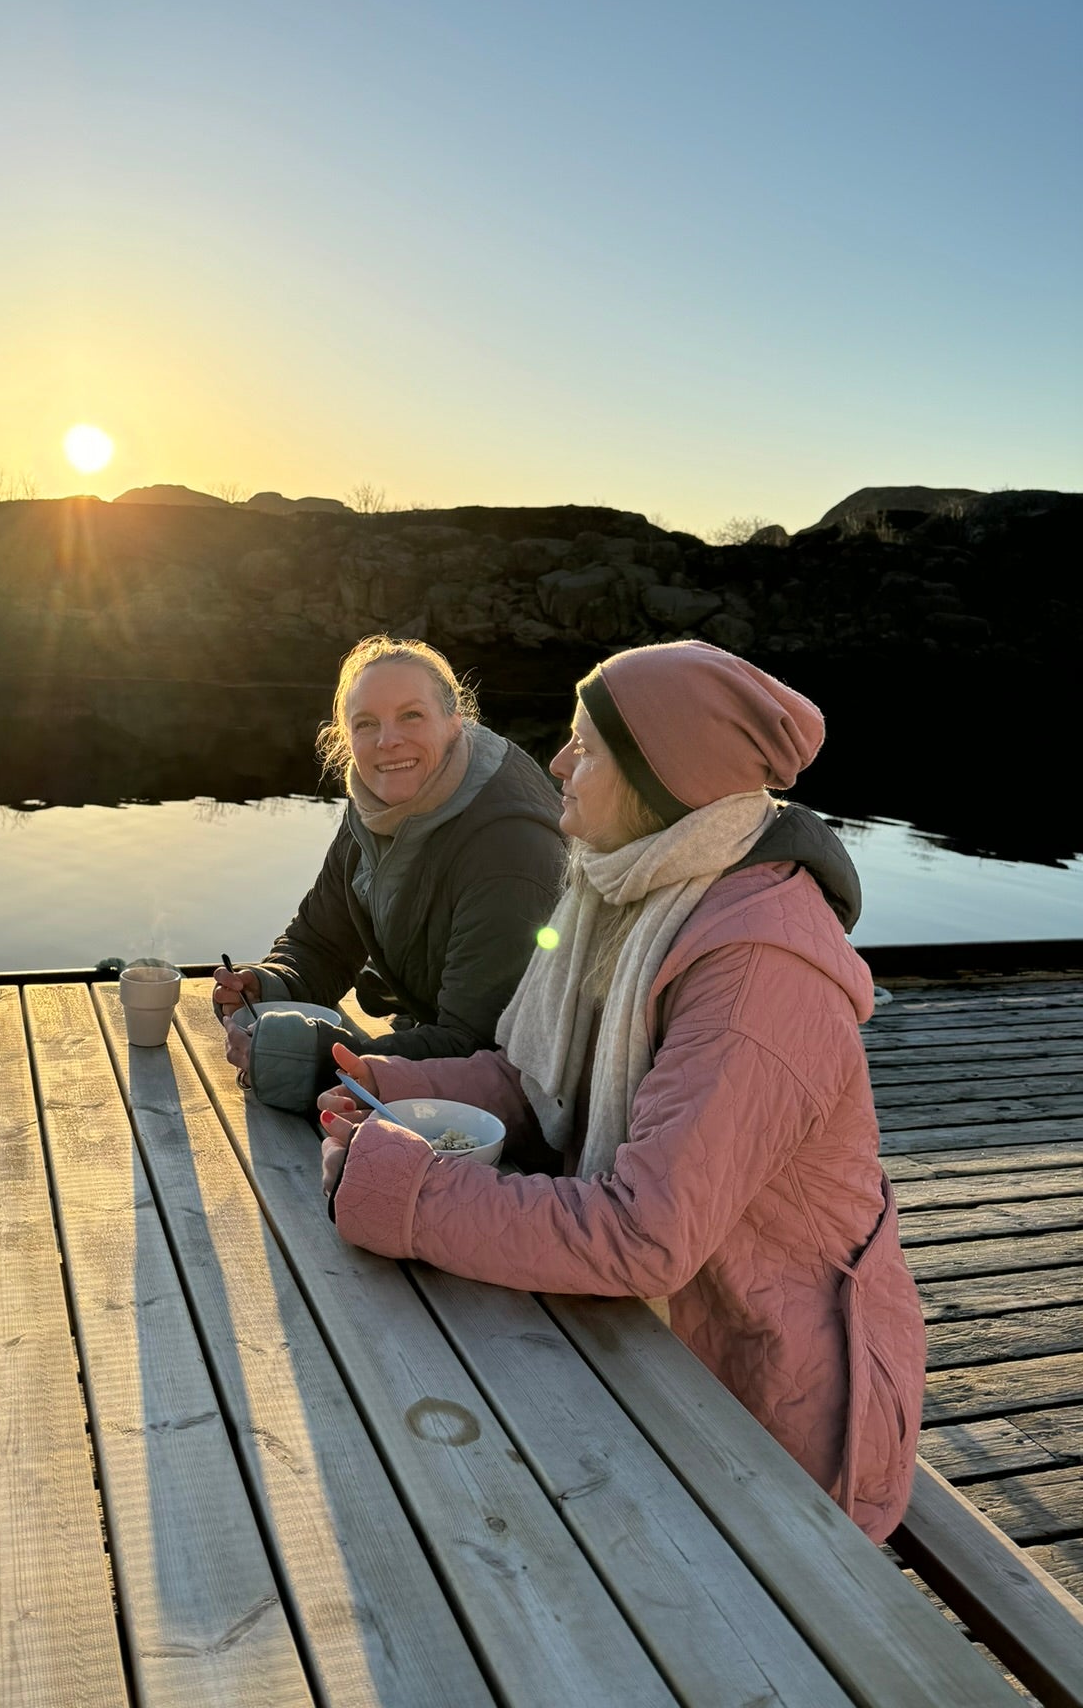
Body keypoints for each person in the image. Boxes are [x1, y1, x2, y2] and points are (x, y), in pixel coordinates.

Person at [318, 640, 924, 1541]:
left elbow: (644, 1236)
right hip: (645, 1348)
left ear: (663, 777)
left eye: (586, 748)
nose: (557, 763)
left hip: (769, 1422)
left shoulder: (759, 969)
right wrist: (385, 1082)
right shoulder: (626, 886)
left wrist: (404, 1195)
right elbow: (536, 1083)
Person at [212, 635, 566, 1114]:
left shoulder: (510, 846)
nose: (387, 740)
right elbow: (322, 942)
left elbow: (475, 1047)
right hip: (433, 1043)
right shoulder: (376, 806)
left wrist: (297, 1056)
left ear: (454, 721)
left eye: (411, 715)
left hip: (527, 1100)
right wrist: (266, 983)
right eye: (366, 724)